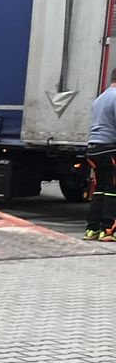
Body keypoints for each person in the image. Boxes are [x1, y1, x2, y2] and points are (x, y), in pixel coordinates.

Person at [85, 65, 116, 241]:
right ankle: (108, 230)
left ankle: (92, 229)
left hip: (94, 148)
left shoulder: (101, 98)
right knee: (113, 189)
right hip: (110, 149)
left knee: (100, 189)